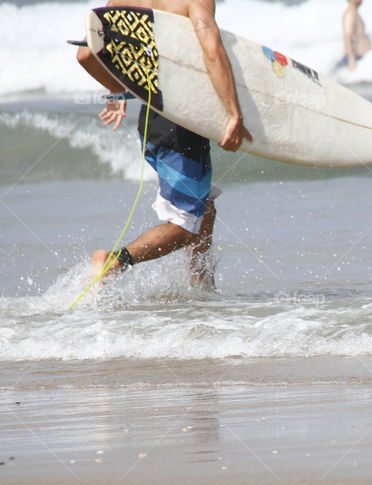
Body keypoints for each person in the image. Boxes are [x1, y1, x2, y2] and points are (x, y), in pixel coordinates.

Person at [76, 0, 252, 287]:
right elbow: (212, 50)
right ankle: (116, 260)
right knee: (185, 225)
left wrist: (117, 90)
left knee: (203, 207)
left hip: (152, 120)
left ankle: (201, 287)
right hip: (182, 121)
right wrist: (234, 112)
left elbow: (86, 55)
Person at [340, 0, 372, 71]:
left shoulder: (354, 13)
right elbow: (348, 36)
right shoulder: (350, 14)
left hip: (358, 58)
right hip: (354, 59)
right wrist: (352, 59)